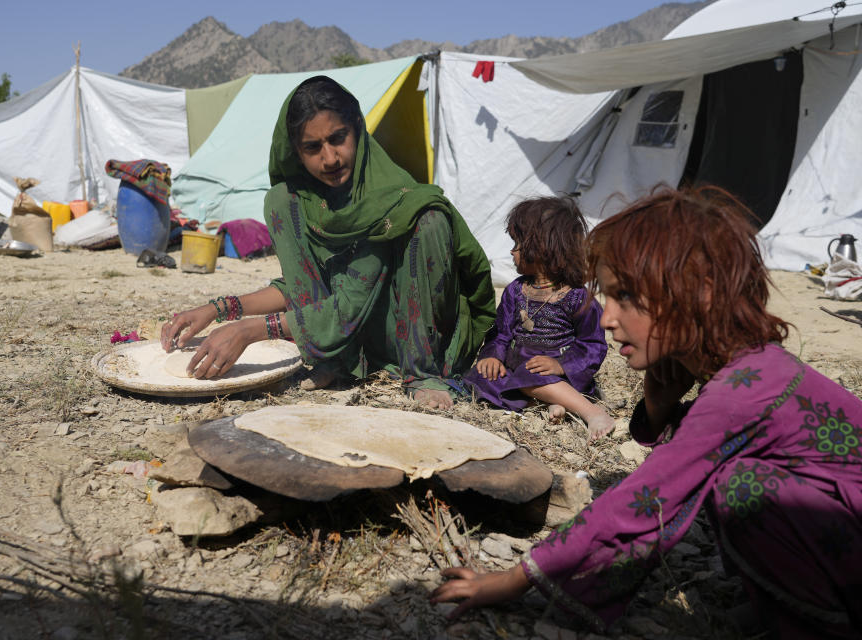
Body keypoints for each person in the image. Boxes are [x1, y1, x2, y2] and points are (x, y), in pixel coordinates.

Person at [430, 186, 862, 638]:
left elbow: (644, 497)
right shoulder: (750, 367)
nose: (609, 318)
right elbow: (689, 444)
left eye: (627, 298)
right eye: (608, 297)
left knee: (743, 485)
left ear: (697, 295)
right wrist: (658, 403)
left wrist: (515, 579)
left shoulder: (741, 391)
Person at [161, 76, 495, 409]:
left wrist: (250, 330)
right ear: (296, 151)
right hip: (343, 330)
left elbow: (352, 299)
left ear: (358, 130)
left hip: (410, 327)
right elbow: (303, 285)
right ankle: (336, 362)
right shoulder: (302, 202)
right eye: (312, 147)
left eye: (338, 139)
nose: (330, 158)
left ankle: (423, 372)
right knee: (281, 199)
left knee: (428, 219)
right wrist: (216, 309)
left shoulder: (386, 199)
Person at [462, 196, 612, 440]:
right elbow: (500, 333)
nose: (512, 251)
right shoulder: (515, 291)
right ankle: (545, 403)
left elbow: (592, 345)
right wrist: (493, 357)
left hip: (556, 374)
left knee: (529, 376)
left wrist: (561, 365)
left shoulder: (576, 298)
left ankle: (590, 411)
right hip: (518, 367)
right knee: (480, 378)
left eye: (517, 243)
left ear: (542, 249)